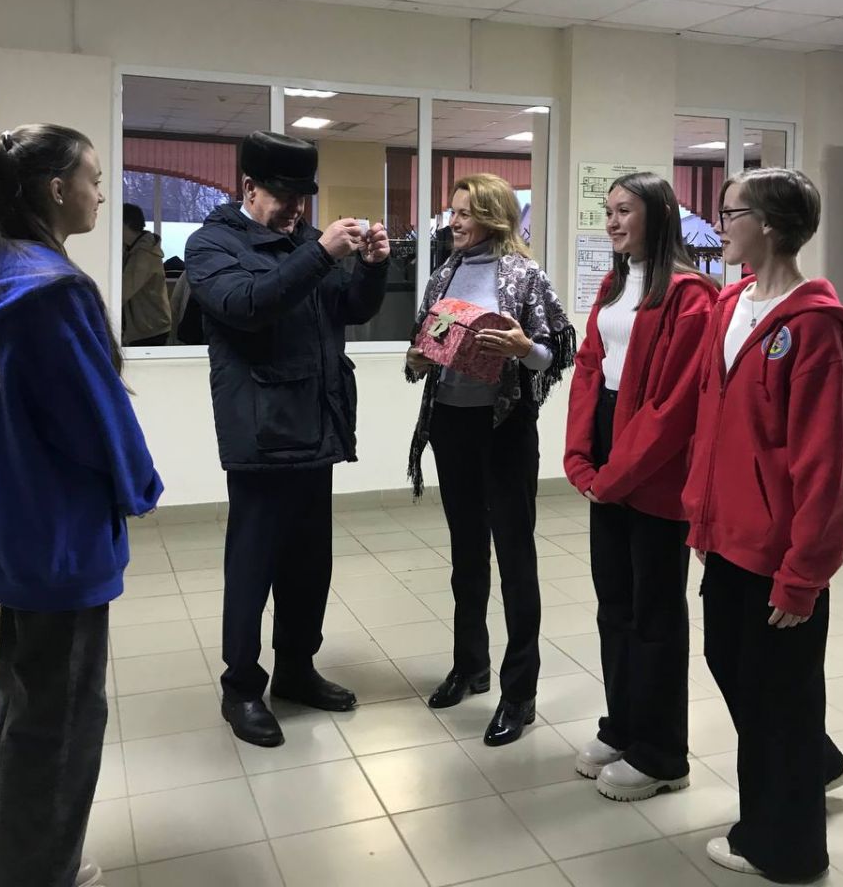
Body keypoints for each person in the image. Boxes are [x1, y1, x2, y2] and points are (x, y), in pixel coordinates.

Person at [0, 125, 163, 887]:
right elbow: (98, 418)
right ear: (56, 189)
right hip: (63, 539)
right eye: (94, 179)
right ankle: (32, 873)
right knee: (64, 720)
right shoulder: (54, 291)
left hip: (15, 528)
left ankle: (11, 862)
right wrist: (140, 487)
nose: (102, 194)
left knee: (22, 703)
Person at [185, 132, 390, 748]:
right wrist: (321, 255)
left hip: (316, 427)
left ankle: (297, 669)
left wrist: (373, 266)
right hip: (262, 435)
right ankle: (241, 687)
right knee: (253, 569)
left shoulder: (307, 241)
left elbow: (350, 309)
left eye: (303, 198)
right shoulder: (213, 245)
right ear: (249, 187)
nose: (296, 209)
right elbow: (247, 305)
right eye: (283, 196)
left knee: (309, 568)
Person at [684, 167, 843, 882]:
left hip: (780, 552)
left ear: (771, 225)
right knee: (732, 665)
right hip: (727, 536)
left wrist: (803, 575)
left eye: (731, 213)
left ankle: (785, 848)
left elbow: (826, 463)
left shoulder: (816, 327)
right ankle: (810, 764)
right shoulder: (731, 304)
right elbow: (713, 423)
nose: (719, 225)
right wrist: (702, 518)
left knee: (778, 696)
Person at [405, 173, 576, 746]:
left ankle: (519, 691)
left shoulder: (525, 275)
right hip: (450, 424)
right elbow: (423, 347)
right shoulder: (443, 275)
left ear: (493, 217)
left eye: (464, 214)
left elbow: (553, 353)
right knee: (466, 553)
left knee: (515, 557)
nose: (453, 222)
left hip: (503, 428)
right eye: (452, 212)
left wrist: (525, 349)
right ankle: (470, 665)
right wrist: (418, 359)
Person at [564, 172, 718, 801]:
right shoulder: (614, 283)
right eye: (608, 211)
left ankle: (662, 754)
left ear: (658, 214)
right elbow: (589, 368)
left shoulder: (690, 294)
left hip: (654, 469)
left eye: (624, 210)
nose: (612, 222)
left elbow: (674, 407)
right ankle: (623, 725)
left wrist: (615, 475)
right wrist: (581, 458)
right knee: (615, 604)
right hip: (609, 448)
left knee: (655, 613)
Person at [121, 202, 172, 346]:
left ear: (126, 224)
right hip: (146, 326)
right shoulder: (133, 249)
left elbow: (123, 291)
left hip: (149, 328)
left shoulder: (144, 254)